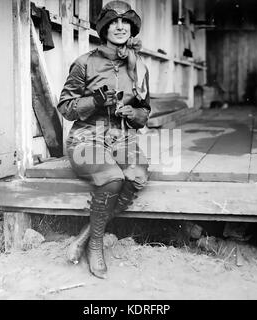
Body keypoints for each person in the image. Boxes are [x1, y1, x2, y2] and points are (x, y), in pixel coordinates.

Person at [57, 0, 150, 279]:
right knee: (112, 178)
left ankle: (84, 238)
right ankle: (96, 245)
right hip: (86, 138)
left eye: (125, 23)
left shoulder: (139, 67)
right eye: (113, 22)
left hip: (121, 137)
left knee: (135, 175)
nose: (120, 27)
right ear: (104, 28)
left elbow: (145, 113)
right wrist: (94, 101)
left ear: (131, 28)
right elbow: (65, 107)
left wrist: (133, 112)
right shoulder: (85, 62)